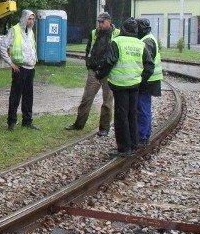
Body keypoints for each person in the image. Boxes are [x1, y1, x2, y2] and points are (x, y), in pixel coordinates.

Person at [95, 17, 154, 156]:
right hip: (135, 85)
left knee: (121, 116)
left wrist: (99, 74)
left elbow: (108, 62)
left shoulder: (117, 42)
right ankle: (134, 144)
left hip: (119, 85)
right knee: (132, 115)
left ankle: (124, 148)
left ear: (123, 28)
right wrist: (142, 79)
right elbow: (150, 66)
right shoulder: (140, 44)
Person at [65, 11, 118, 137]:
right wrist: (89, 65)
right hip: (94, 70)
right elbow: (88, 49)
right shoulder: (94, 33)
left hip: (109, 72)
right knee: (86, 99)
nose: (100, 24)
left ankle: (104, 128)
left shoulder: (117, 34)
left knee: (107, 102)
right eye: (99, 22)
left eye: (102, 22)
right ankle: (78, 124)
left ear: (109, 22)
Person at [0, 9, 39, 131]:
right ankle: (11, 122)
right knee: (15, 96)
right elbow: (2, 47)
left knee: (28, 97)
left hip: (30, 68)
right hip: (19, 69)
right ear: (24, 19)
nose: (31, 21)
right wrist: (11, 63)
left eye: (33, 19)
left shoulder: (30, 32)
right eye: (29, 19)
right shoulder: (14, 30)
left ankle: (27, 121)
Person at [136, 18, 163, 146]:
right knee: (145, 107)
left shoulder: (146, 41)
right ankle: (145, 133)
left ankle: (142, 136)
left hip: (147, 80)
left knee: (142, 108)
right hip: (151, 79)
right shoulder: (149, 38)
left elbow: (147, 63)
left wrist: (141, 79)